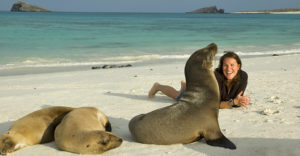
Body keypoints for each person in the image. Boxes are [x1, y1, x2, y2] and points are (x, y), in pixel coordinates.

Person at [148, 51, 250, 109]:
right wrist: (233, 102)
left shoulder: (243, 76)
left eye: (232, 65)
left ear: (238, 66)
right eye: (225, 65)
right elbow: (214, 104)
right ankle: (158, 86)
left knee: (185, 89)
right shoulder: (215, 77)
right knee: (177, 96)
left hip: (203, 85)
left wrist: (241, 101)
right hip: (201, 94)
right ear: (221, 66)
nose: (228, 69)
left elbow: (237, 98)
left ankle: (185, 85)